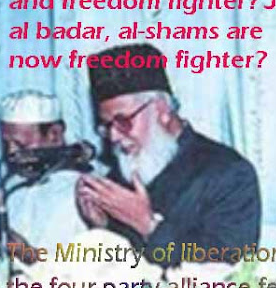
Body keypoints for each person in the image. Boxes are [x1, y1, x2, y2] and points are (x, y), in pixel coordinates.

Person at [76, 43, 261, 266]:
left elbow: (229, 267)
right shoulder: (121, 173)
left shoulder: (229, 173)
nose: (114, 136)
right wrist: (102, 226)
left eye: (123, 121)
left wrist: (149, 226)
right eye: (106, 126)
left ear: (161, 110)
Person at [0, 90, 88, 264]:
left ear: (54, 135)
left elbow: (91, 267)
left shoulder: (83, 191)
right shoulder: (8, 187)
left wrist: (30, 256)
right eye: (6, 144)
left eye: (21, 145)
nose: (11, 153)